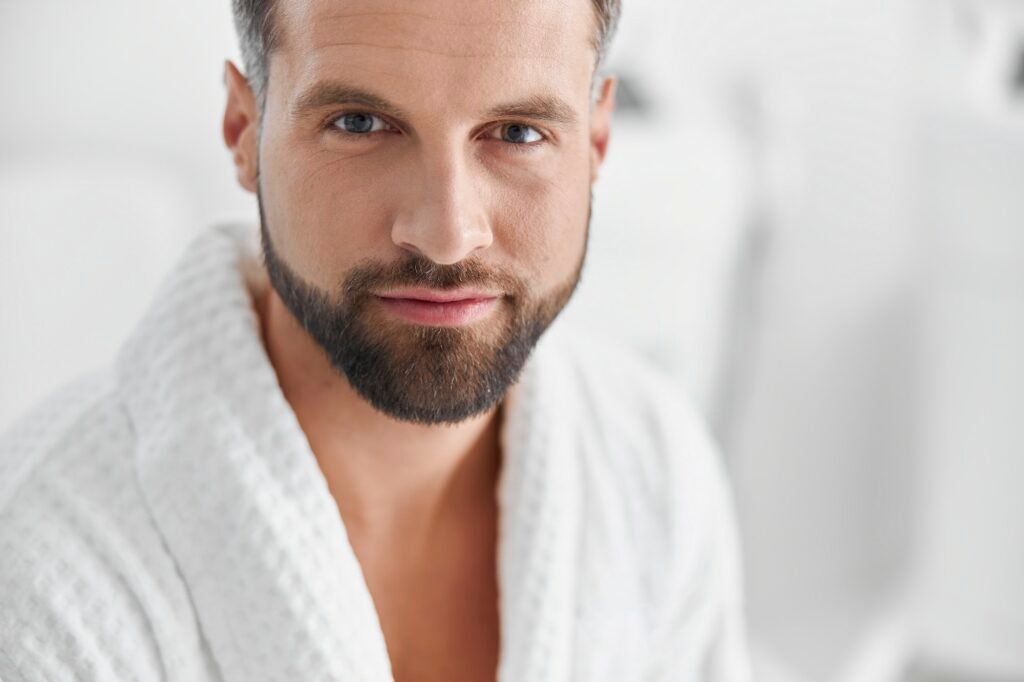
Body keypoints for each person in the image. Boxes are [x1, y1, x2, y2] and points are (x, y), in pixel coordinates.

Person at [0, 0, 752, 680]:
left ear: (596, 142)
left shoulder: (653, 467)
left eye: (518, 133)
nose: (447, 234)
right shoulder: (40, 582)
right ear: (243, 131)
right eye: (359, 123)